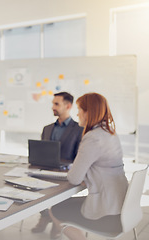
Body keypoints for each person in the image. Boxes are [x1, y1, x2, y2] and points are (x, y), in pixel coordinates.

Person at [49, 92, 128, 240]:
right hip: (121, 209)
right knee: (66, 204)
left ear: (88, 112)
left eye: (79, 109)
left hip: (107, 215)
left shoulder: (93, 138)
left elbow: (74, 178)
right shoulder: (110, 133)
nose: (77, 114)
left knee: (56, 208)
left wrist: (80, 173)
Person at [32, 92, 83, 238]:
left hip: (66, 174)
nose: (52, 107)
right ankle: (45, 216)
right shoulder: (47, 128)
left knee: (58, 195)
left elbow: (79, 157)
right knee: (35, 189)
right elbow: (42, 152)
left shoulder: (79, 129)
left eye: (56, 104)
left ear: (68, 106)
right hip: (45, 171)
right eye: (52, 103)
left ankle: (56, 221)